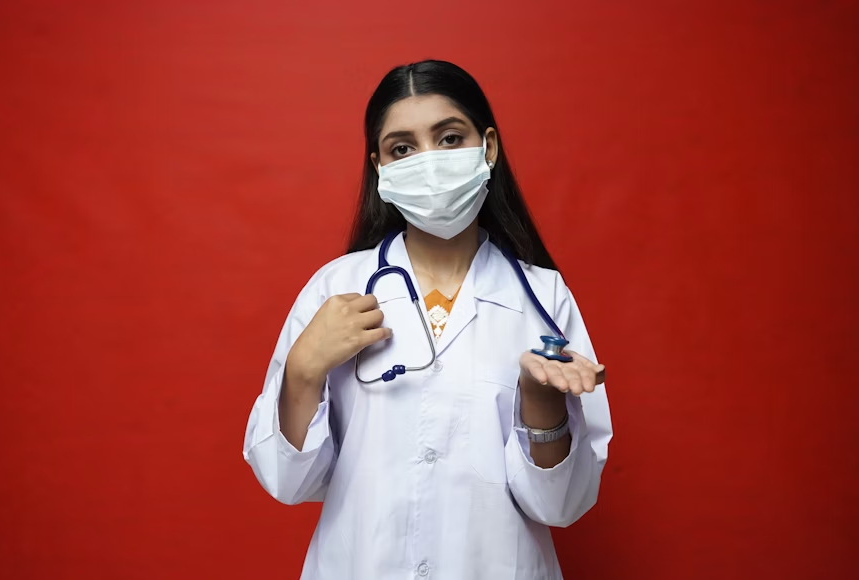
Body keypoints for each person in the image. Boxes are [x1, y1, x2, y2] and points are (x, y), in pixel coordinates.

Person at [243, 60, 613, 579]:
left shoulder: (543, 298)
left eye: (448, 138)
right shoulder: (336, 288)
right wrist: (302, 372)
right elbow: (285, 481)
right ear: (380, 167)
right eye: (402, 148)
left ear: (487, 147)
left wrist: (543, 405)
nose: (429, 162)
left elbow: (561, 507)